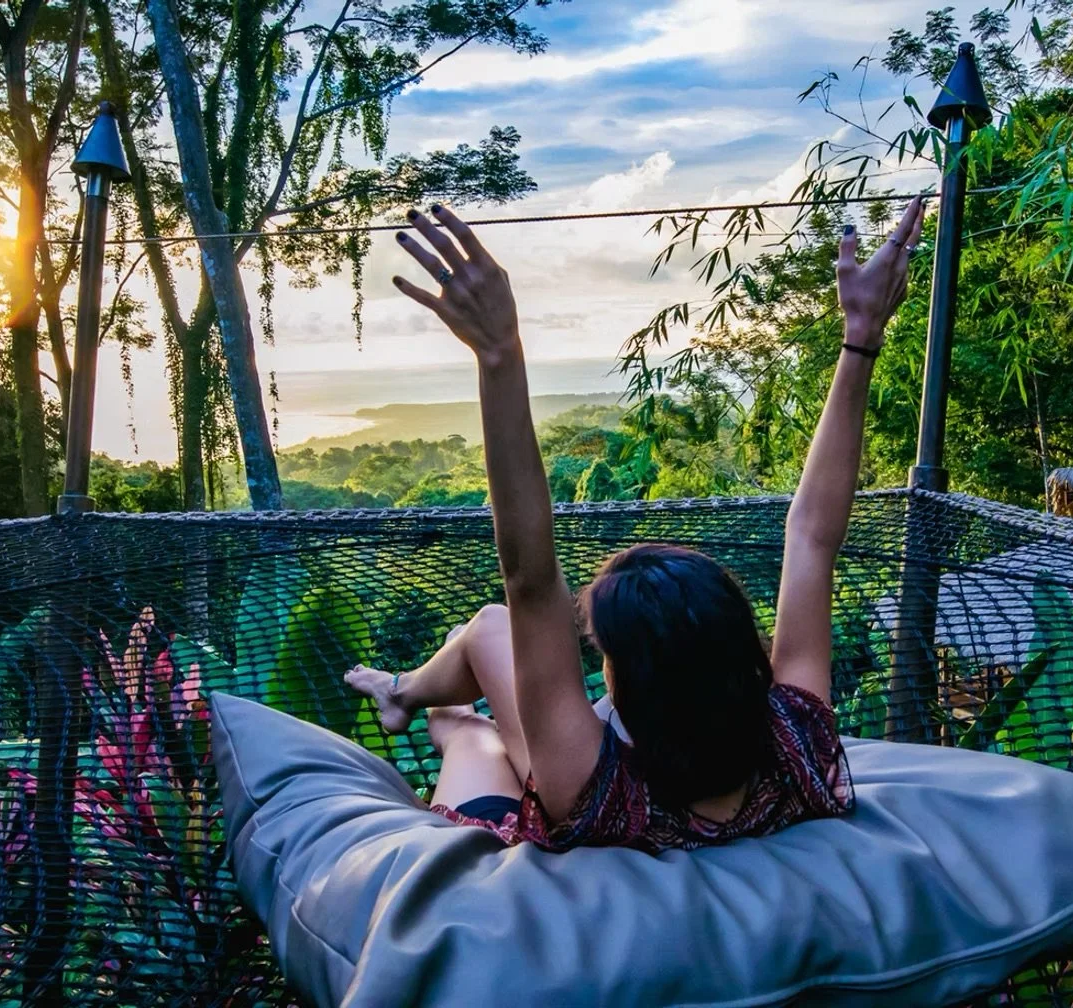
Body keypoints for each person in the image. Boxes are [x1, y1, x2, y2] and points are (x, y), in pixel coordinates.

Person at [343, 197, 927, 853]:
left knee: (477, 717)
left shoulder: (594, 788)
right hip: (652, 765)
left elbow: (530, 577)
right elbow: (813, 536)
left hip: (533, 804)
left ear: (628, 692)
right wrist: (861, 335)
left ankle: (432, 707)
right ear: (747, 655)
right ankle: (405, 694)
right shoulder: (797, 742)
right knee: (487, 630)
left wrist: (498, 353)